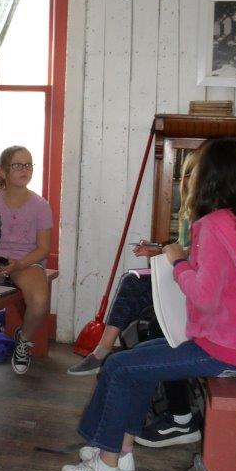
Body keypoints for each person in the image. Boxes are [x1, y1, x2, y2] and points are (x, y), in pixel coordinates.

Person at [61, 136, 236, 471]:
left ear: (206, 178)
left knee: (119, 367)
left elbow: (203, 296)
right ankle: (120, 450)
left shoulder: (211, 225)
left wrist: (178, 261)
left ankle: (105, 468)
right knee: (137, 362)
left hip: (219, 350)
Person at [68, 149, 204, 448]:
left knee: (153, 324)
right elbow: (184, 249)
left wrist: (170, 256)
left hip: (191, 289)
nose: (185, 180)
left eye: (192, 174)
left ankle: (103, 354)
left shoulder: (210, 218)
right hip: (182, 279)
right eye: (185, 173)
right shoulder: (190, 213)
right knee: (136, 287)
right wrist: (157, 249)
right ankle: (104, 353)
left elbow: (198, 263)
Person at [0, 146, 53, 374]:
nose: (25, 169)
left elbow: (43, 249)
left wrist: (20, 264)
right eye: (17, 165)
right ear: (2, 171)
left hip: (25, 262)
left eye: (28, 165)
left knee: (39, 301)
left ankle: (23, 340)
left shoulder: (40, 205)